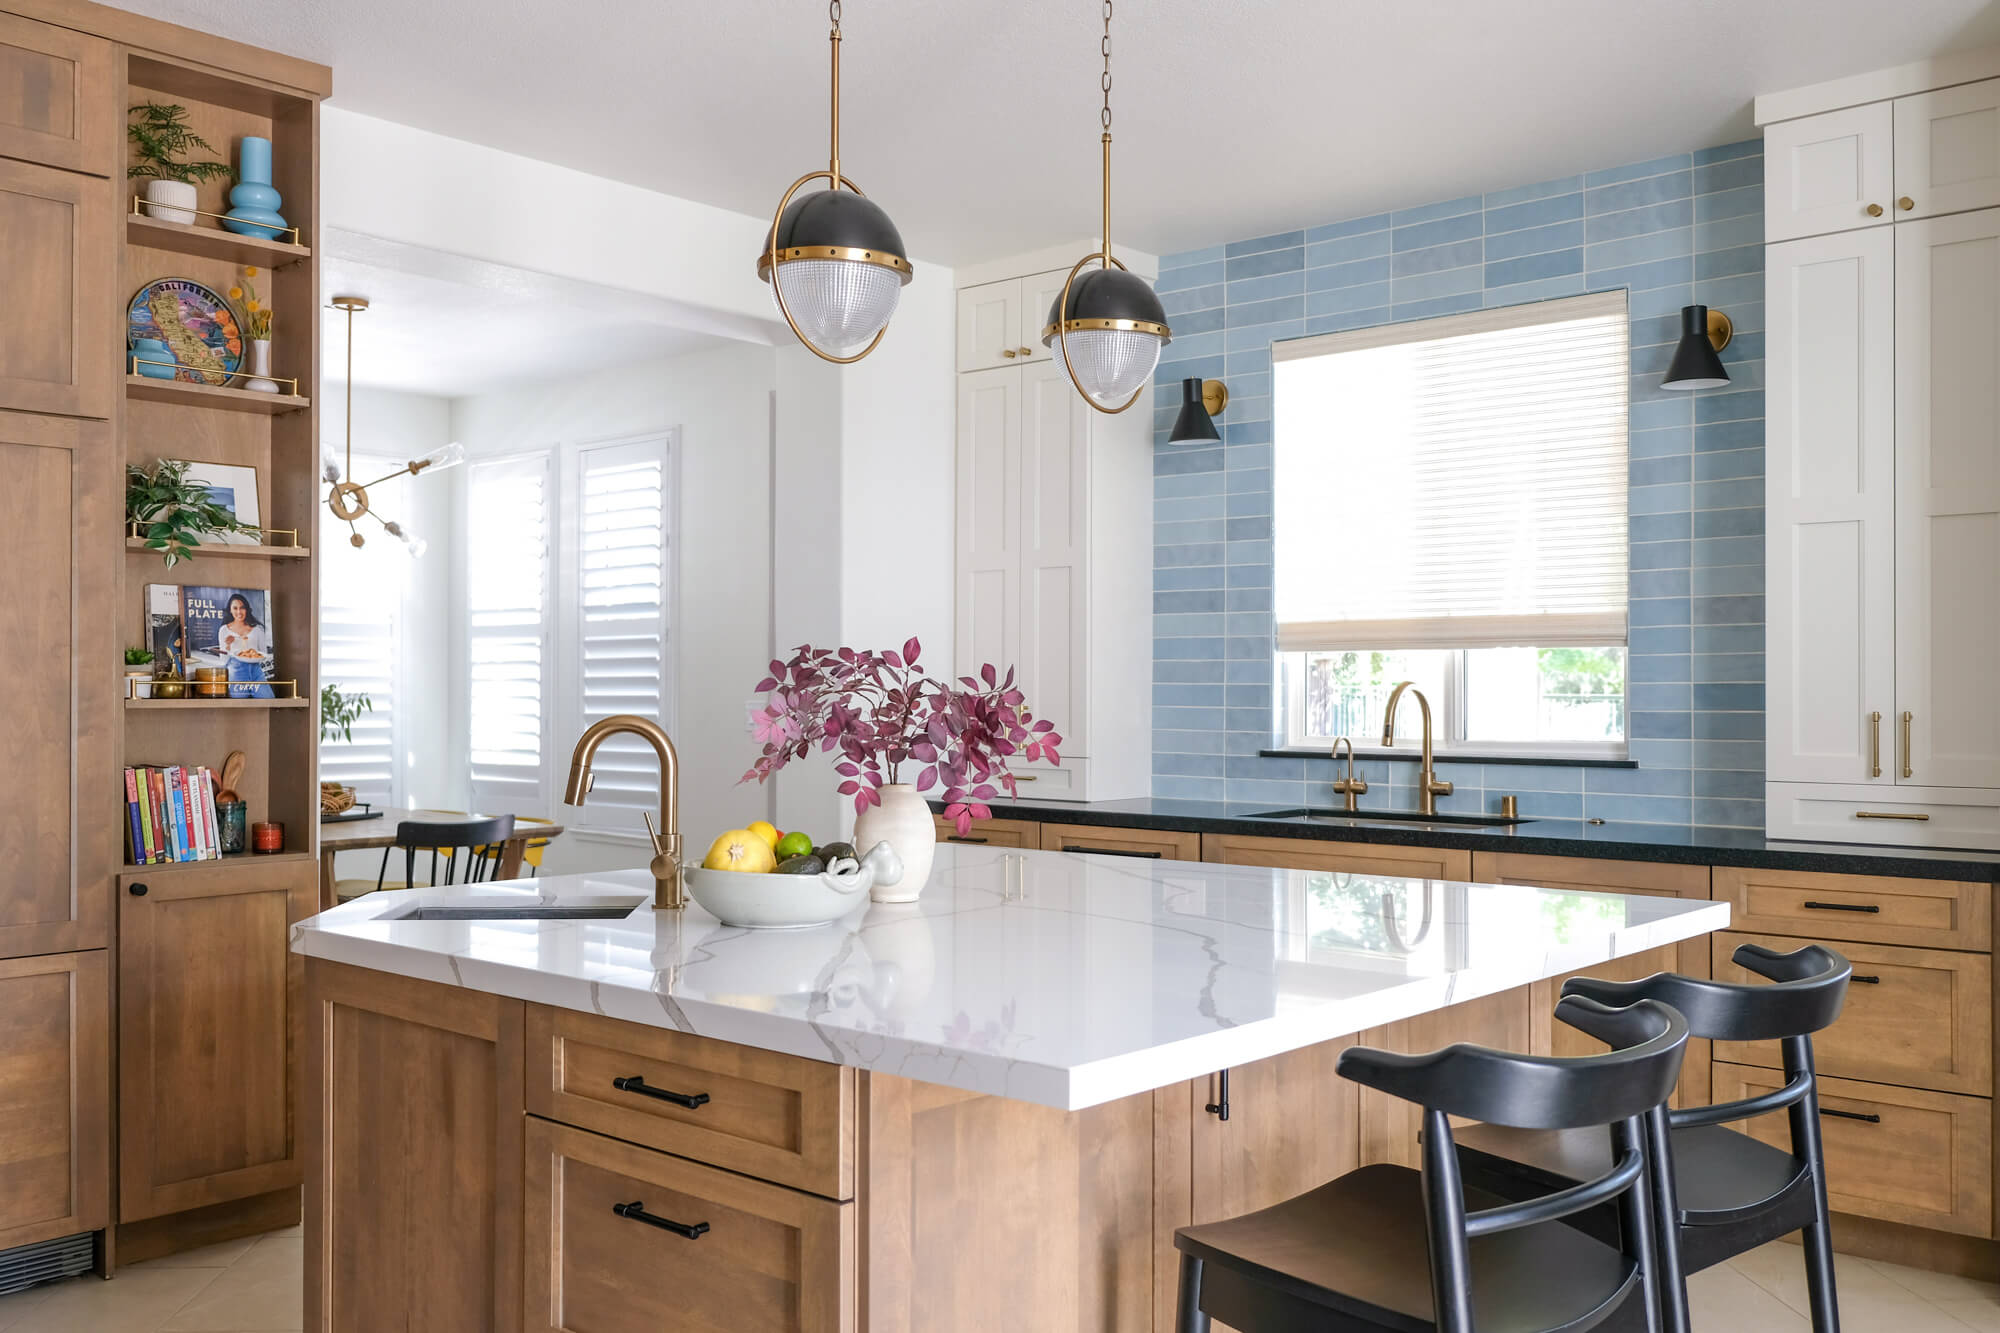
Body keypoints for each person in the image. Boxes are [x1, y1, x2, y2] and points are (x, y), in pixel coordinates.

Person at [219, 592, 275, 699]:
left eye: (242, 608)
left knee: (269, 700)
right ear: (230, 610)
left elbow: (263, 653)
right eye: (235, 608)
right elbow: (224, 660)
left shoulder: (258, 629)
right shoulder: (224, 630)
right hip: (236, 672)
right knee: (239, 706)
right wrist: (228, 645)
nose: (239, 611)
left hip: (256, 671)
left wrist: (254, 656)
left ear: (247, 609)